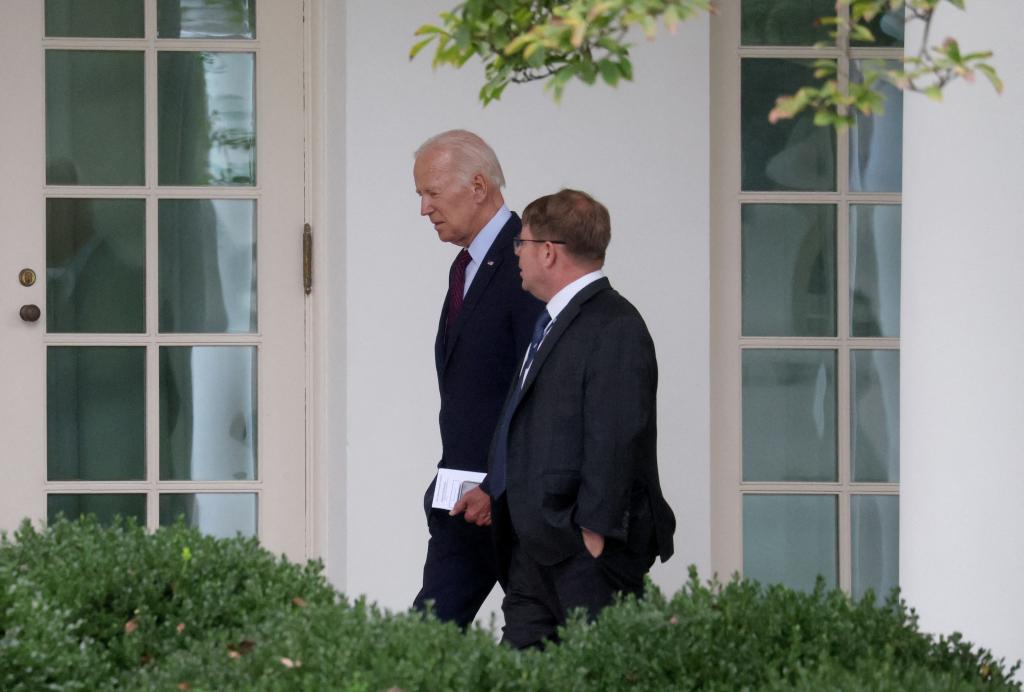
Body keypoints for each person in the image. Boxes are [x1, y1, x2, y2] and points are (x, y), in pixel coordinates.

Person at [481, 188, 676, 649]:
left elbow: (617, 433)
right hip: (533, 547)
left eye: (521, 244)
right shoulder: (552, 320)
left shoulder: (615, 324)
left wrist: (593, 533)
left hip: (583, 554)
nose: (517, 256)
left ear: (548, 252)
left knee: (595, 674)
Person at [411, 130, 544, 628]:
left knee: (541, 643)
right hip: (460, 504)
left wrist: (498, 484)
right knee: (424, 639)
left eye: (433, 192)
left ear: (478, 186)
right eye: (420, 195)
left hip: (510, 507)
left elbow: (534, 389)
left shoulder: (524, 260)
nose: (425, 208)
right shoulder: (467, 264)